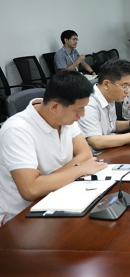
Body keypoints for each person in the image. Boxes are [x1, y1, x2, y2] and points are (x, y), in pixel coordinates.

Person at [0, 71, 108, 224]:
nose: (82, 114)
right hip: (21, 216)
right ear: (55, 107)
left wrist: (45, 180)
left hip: (57, 196)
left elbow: (85, 154)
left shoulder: (65, 119)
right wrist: (79, 169)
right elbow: (31, 190)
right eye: (78, 109)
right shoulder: (17, 130)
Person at [79, 59, 130, 151]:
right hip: (99, 154)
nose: (128, 90)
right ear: (106, 84)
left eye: (129, 85)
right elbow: (96, 142)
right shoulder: (88, 104)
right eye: (124, 86)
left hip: (112, 147)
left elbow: (111, 125)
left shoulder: (110, 96)